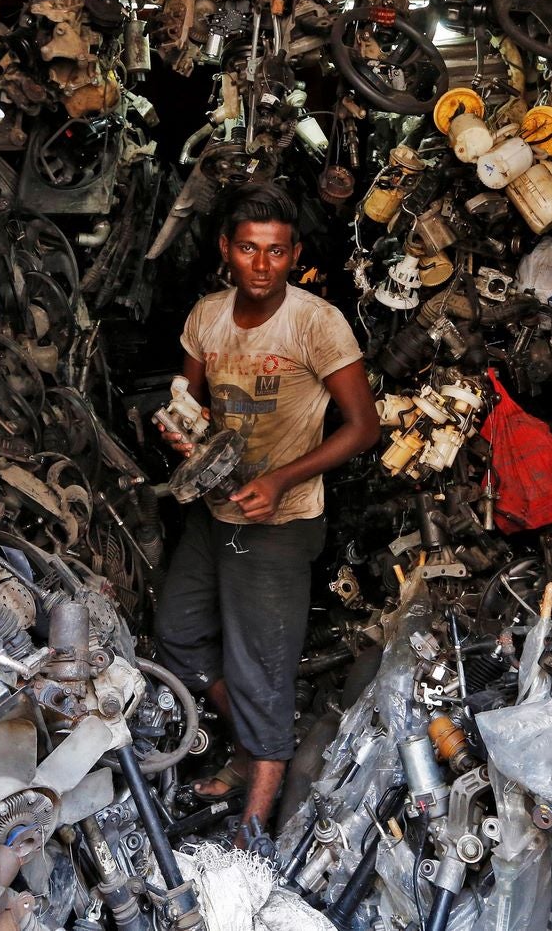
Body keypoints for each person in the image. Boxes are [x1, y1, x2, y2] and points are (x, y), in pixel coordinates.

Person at [154, 182, 380, 840]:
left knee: (262, 667)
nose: (261, 265)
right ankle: (252, 743)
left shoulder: (317, 323)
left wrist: (282, 478)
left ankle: (258, 809)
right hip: (215, 507)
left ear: (294, 254)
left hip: (281, 519)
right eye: (248, 249)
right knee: (179, 633)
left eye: (276, 252)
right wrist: (178, 425)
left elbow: (363, 427)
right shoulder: (206, 317)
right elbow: (186, 402)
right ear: (227, 249)